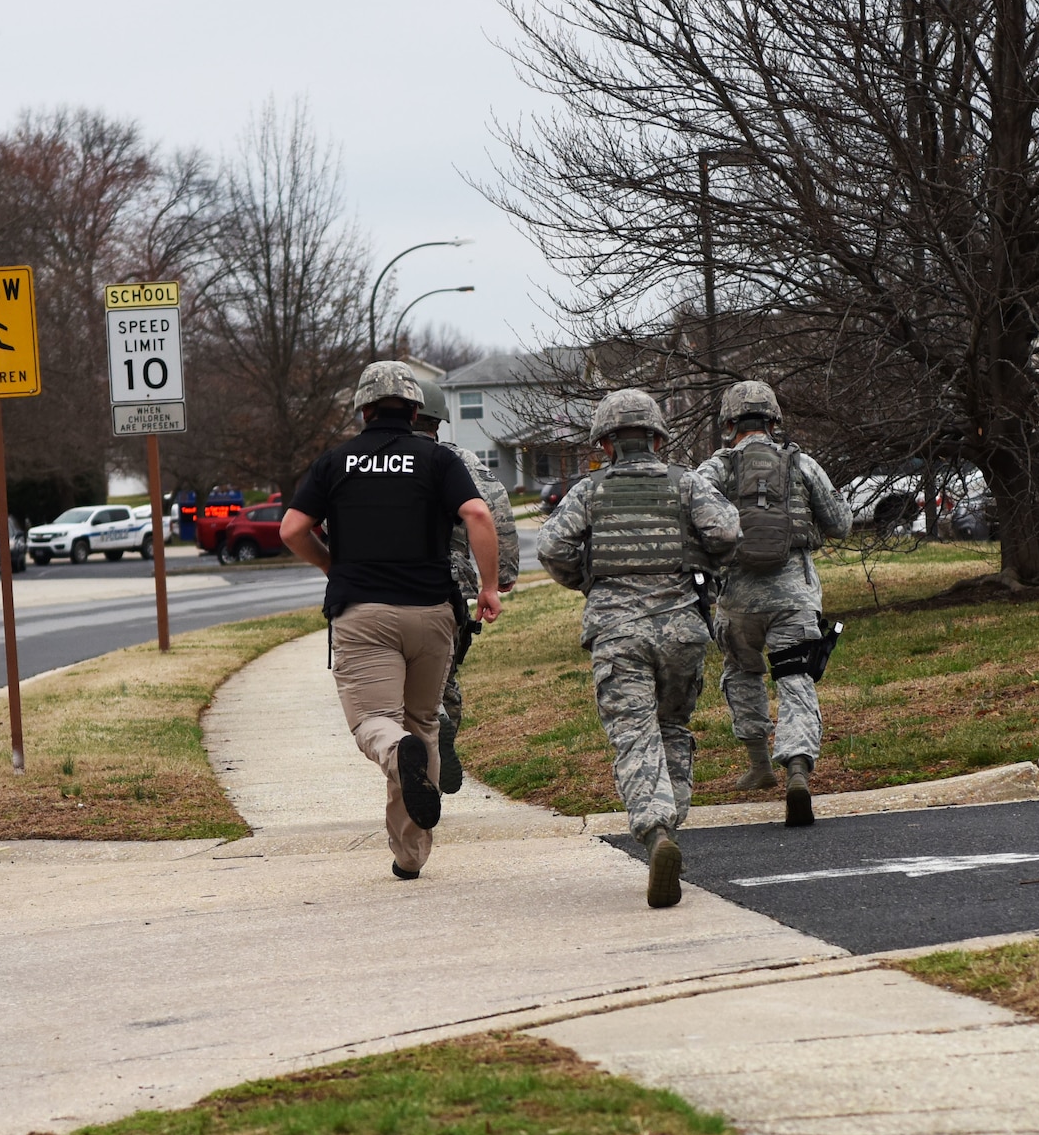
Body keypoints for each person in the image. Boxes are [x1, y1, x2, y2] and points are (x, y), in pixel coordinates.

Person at [279, 361, 503, 881]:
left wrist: (331, 564)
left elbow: (292, 529)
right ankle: (410, 855)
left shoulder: (335, 463)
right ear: (416, 410)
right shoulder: (437, 459)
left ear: (363, 408)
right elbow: (479, 516)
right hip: (432, 614)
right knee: (422, 724)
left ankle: (392, 750)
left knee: (373, 724)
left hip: (365, 614)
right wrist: (489, 587)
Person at [535, 388, 738, 908]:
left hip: (618, 633)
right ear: (656, 437)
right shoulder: (687, 483)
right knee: (671, 727)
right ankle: (673, 823)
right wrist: (702, 565)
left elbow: (552, 546)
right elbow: (727, 530)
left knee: (634, 735)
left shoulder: (589, 491)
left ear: (606, 442)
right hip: (682, 630)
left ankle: (656, 832)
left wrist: (588, 582)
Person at [695, 381, 851, 826]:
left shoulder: (714, 470)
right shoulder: (800, 463)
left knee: (741, 671)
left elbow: (696, 526)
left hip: (737, 598)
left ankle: (759, 765)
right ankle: (797, 768)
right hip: (794, 595)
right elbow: (840, 523)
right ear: (774, 420)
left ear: (729, 424)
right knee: (795, 676)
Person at [410, 384, 520, 792]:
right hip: (450, 582)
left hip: (382, 584)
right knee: (444, 670)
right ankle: (439, 731)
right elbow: (496, 511)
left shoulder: (370, 458)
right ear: (438, 421)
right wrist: (501, 575)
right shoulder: (462, 460)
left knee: (396, 682)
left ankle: (422, 768)